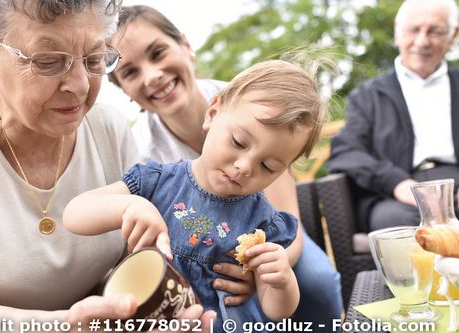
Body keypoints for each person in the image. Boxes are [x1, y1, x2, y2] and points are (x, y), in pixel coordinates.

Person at [0, 0, 215, 330]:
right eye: (49, 62)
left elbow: (132, 263)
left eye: (94, 59)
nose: (80, 86)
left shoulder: (109, 128)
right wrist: (69, 325)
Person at [106, 5, 343, 327]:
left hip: (259, 232)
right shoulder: (146, 154)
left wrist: (259, 273)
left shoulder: (255, 107)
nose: (152, 75)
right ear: (126, 91)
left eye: (158, 53)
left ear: (185, 46)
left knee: (315, 280)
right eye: (130, 72)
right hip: (200, 250)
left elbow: (288, 223)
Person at [64, 59, 327, 329]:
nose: (244, 166)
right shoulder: (156, 182)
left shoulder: (263, 221)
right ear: (212, 114)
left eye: (268, 166)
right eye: (238, 142)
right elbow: (74, 214)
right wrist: (128, 207)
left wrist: (282, 281)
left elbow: (276, 311)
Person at [327, 0, 459, 232]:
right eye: (414, 30)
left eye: (435, 31)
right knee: (395, 225)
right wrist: (396, 182)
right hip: (400, 194)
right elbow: (345, 152)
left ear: (453, 36)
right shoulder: (367, 96)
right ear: (397, 32)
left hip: (455, 182)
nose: (422, 41)